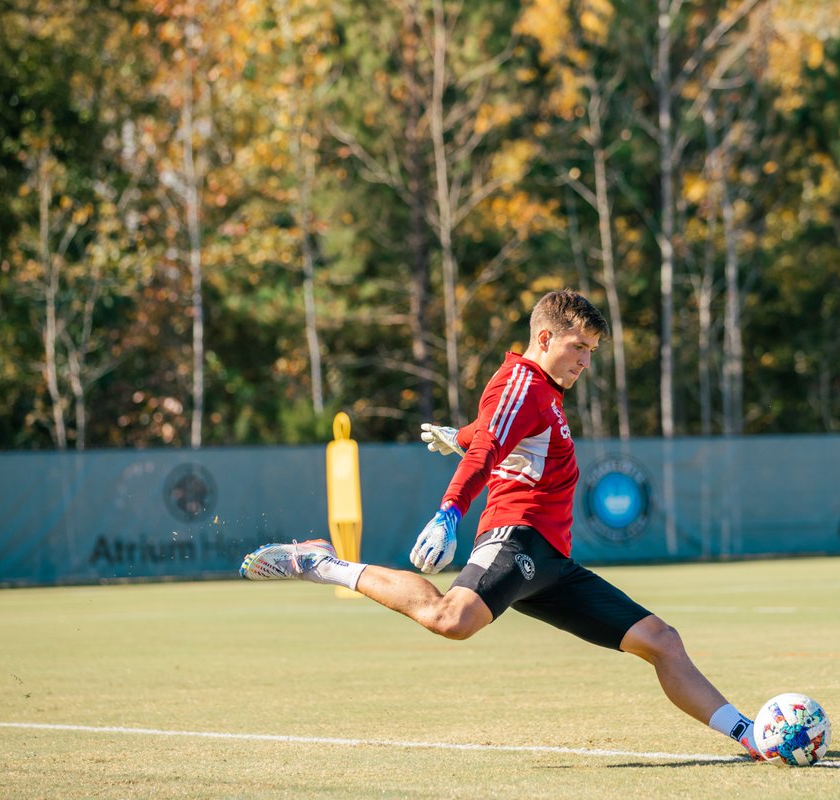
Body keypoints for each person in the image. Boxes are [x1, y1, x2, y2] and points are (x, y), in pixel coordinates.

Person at [240, 289, 763, 761]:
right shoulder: (523, 381)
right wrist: (449, 511)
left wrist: (461, 434)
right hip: (517, 541)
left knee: (662, 640)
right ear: (545, 337)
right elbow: (492, 445)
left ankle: (750, 734)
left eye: (592, 352)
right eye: (579, 347)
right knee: (451, 618)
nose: (585, 361)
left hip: (553, 564)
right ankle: (320, 562)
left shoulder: (544, 392)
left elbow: (496, 434)